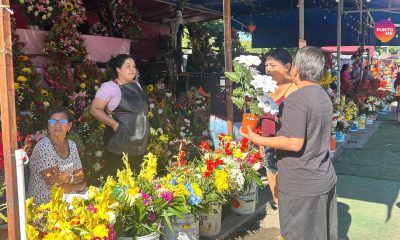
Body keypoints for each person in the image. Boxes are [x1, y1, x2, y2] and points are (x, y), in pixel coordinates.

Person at [241, 46, 337, 240]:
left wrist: (257, 138)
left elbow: (294, 143)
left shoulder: (297, 98)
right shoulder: (322, 95)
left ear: (295, 69)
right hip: (321, 176)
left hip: (300, 182)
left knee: (297, 233)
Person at [90, 54, 149, 176]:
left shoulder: (137, 85)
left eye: (134, 66)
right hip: (118, 140)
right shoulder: (109, 87)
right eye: (128, 66)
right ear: (118, 69)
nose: (132, 69)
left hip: (139, 141)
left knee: (136, 178)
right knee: (117, 177)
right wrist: (114, 124)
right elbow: (95, 109)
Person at [27, 107, 86, 204]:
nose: (57, 125)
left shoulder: (72, 144)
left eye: (62, 121)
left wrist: (67, 178)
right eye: (53, 121)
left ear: (69, 126)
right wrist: (76, 186)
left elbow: (80, 174)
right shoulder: (44, 146)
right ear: (48, 126)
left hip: (69, 198)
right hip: (45, 204)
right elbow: (53, 184)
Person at [261, 49, 297, 208]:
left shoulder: (295, 88)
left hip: (288, 141)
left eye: (272, 65)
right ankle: (278, 204)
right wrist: (263, 141)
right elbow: (264, 116)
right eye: (266, 65)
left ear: (287, 66)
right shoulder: (266, 87)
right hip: (270, 138)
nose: (268, 68)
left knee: (288, 176)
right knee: (271, 170)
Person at [199, 73, 243, 149]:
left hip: (217, 120)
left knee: (219, 152)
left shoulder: (215, 77)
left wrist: (211, 96)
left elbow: (201, 90)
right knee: (237, 152)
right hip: (235, 120)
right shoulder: (241, 79)